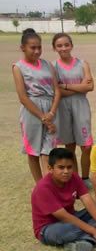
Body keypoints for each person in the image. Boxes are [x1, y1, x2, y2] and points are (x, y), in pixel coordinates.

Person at [32, 148, 96, 251]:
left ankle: (89, 236)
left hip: (73, 218)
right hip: (49, 229)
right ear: (50, 169)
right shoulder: (43, 187)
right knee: (72, 229)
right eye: (61, 168)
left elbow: (88, 200)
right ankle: (91, 238)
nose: (66, 171)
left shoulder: (74, 177)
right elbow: (64, 217)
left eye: (69, 167)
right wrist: (93, 230)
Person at [13, 28, 60, 182]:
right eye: (32, 47)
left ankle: (49, 185)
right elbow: (23, 97)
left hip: (51, 109)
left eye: (39, 47)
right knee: (33, 151)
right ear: (23, 48)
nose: (37, 51)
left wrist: (51, 113)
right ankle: (40, 186)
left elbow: (57, 90)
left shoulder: (47, 64)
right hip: (31, 112)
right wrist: (43, 117)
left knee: (49, 150)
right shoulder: (18, 67)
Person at [53, 32, 94, 183]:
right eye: (59, 46)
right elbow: (56, 90)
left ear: (71, 45)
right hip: (62, 108)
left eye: (66, 44)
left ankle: (85, 177)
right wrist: (79, 87)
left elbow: (89, 87)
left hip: (81, 106)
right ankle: (74, 178)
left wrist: (65, 85)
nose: (63, 48)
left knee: (86, 145)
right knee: (69, 146)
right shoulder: (53, 66)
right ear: (55, 48)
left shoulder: (83, 64)